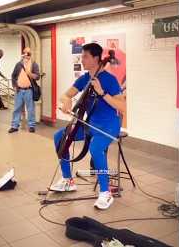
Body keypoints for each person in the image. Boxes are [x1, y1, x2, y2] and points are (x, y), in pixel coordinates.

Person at [51, 43, 126, 210]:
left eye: (85, 56)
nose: (82, 59)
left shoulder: (109, 80)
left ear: (96, 58)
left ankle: (106, 193)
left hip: (109, 125)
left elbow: (122, 107)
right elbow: (65, 94)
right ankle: (68, 180)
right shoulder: (85, 78)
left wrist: (102, 93)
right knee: (59, 136)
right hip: (91, 124)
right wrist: (67, 100)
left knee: (95, 148)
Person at [8, 47, 40, 133]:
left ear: (30, 55)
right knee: (17, 108)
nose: (27, 55)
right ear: (23, 54)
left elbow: (37, 76)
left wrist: (30, 74)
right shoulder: (18, 64)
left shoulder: (34, 64)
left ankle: (31, 126)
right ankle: (14, 126)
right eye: (25, 53)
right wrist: (14, 85)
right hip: (19, 90)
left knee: (30, 109)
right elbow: (13, 75)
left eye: (28, 54)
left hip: (29, 90)